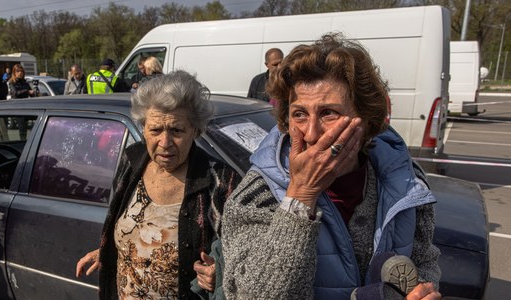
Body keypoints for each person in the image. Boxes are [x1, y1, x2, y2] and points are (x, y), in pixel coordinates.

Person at [222, 33, 442, 300]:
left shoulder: (405, 181)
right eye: (300, 114)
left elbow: (424, 261)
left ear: (365, 118)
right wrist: (301, 196)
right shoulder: (259, 193)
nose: (312, 134)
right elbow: (252, 295)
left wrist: (423, 290)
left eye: (329, 113)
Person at [75, 70, 241, 299]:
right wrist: (109, 251)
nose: (165, 142)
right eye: (155, 130)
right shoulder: (132, 163)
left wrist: (220, 274)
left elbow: (245, 256)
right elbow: (130, 232)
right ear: (143, 128)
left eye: (176, 130)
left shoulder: (221, 180)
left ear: (195, 130)